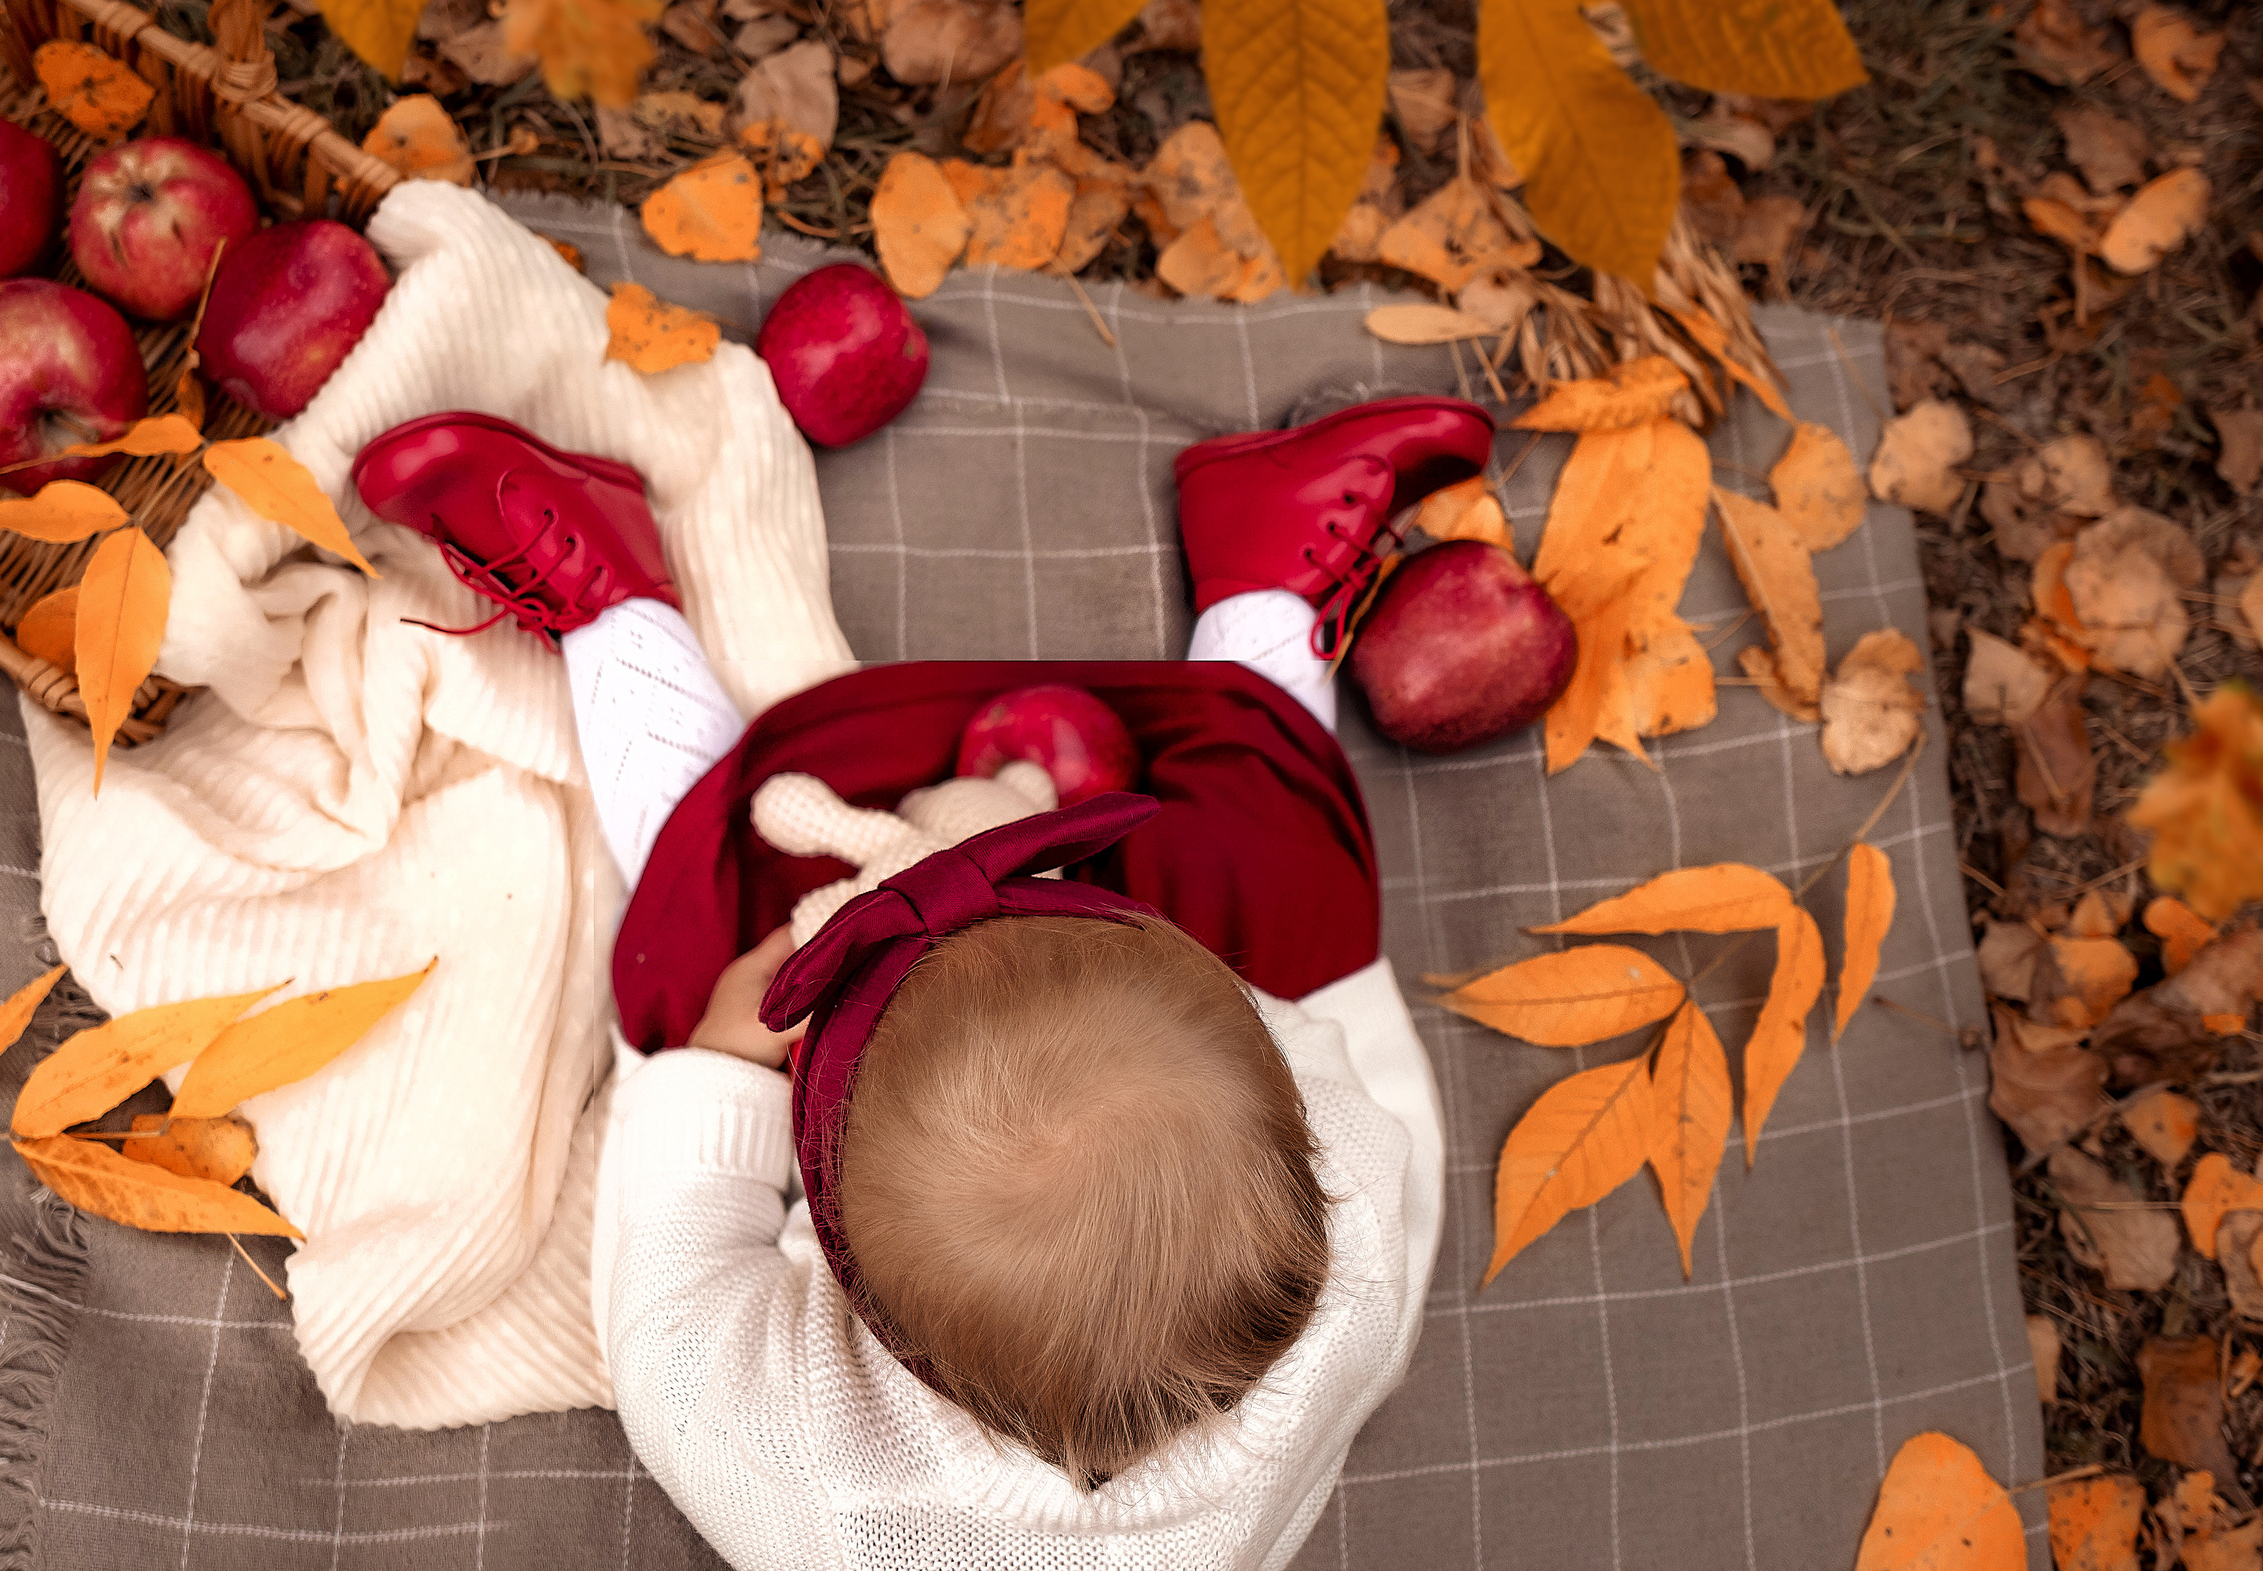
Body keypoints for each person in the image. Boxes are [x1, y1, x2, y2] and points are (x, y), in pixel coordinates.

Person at [349, 396, 1485, 1569]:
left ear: (856, 1283)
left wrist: (720, 1070)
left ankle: (617, 620)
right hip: (1253, 1082)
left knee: (705, 918)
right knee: (1278, 859)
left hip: (913, 1000)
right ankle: (1269, 600)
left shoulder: (806, 1470)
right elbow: (1317, 1073)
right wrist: (1235, 1007)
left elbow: (668, 1305)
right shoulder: (1347, 1281)